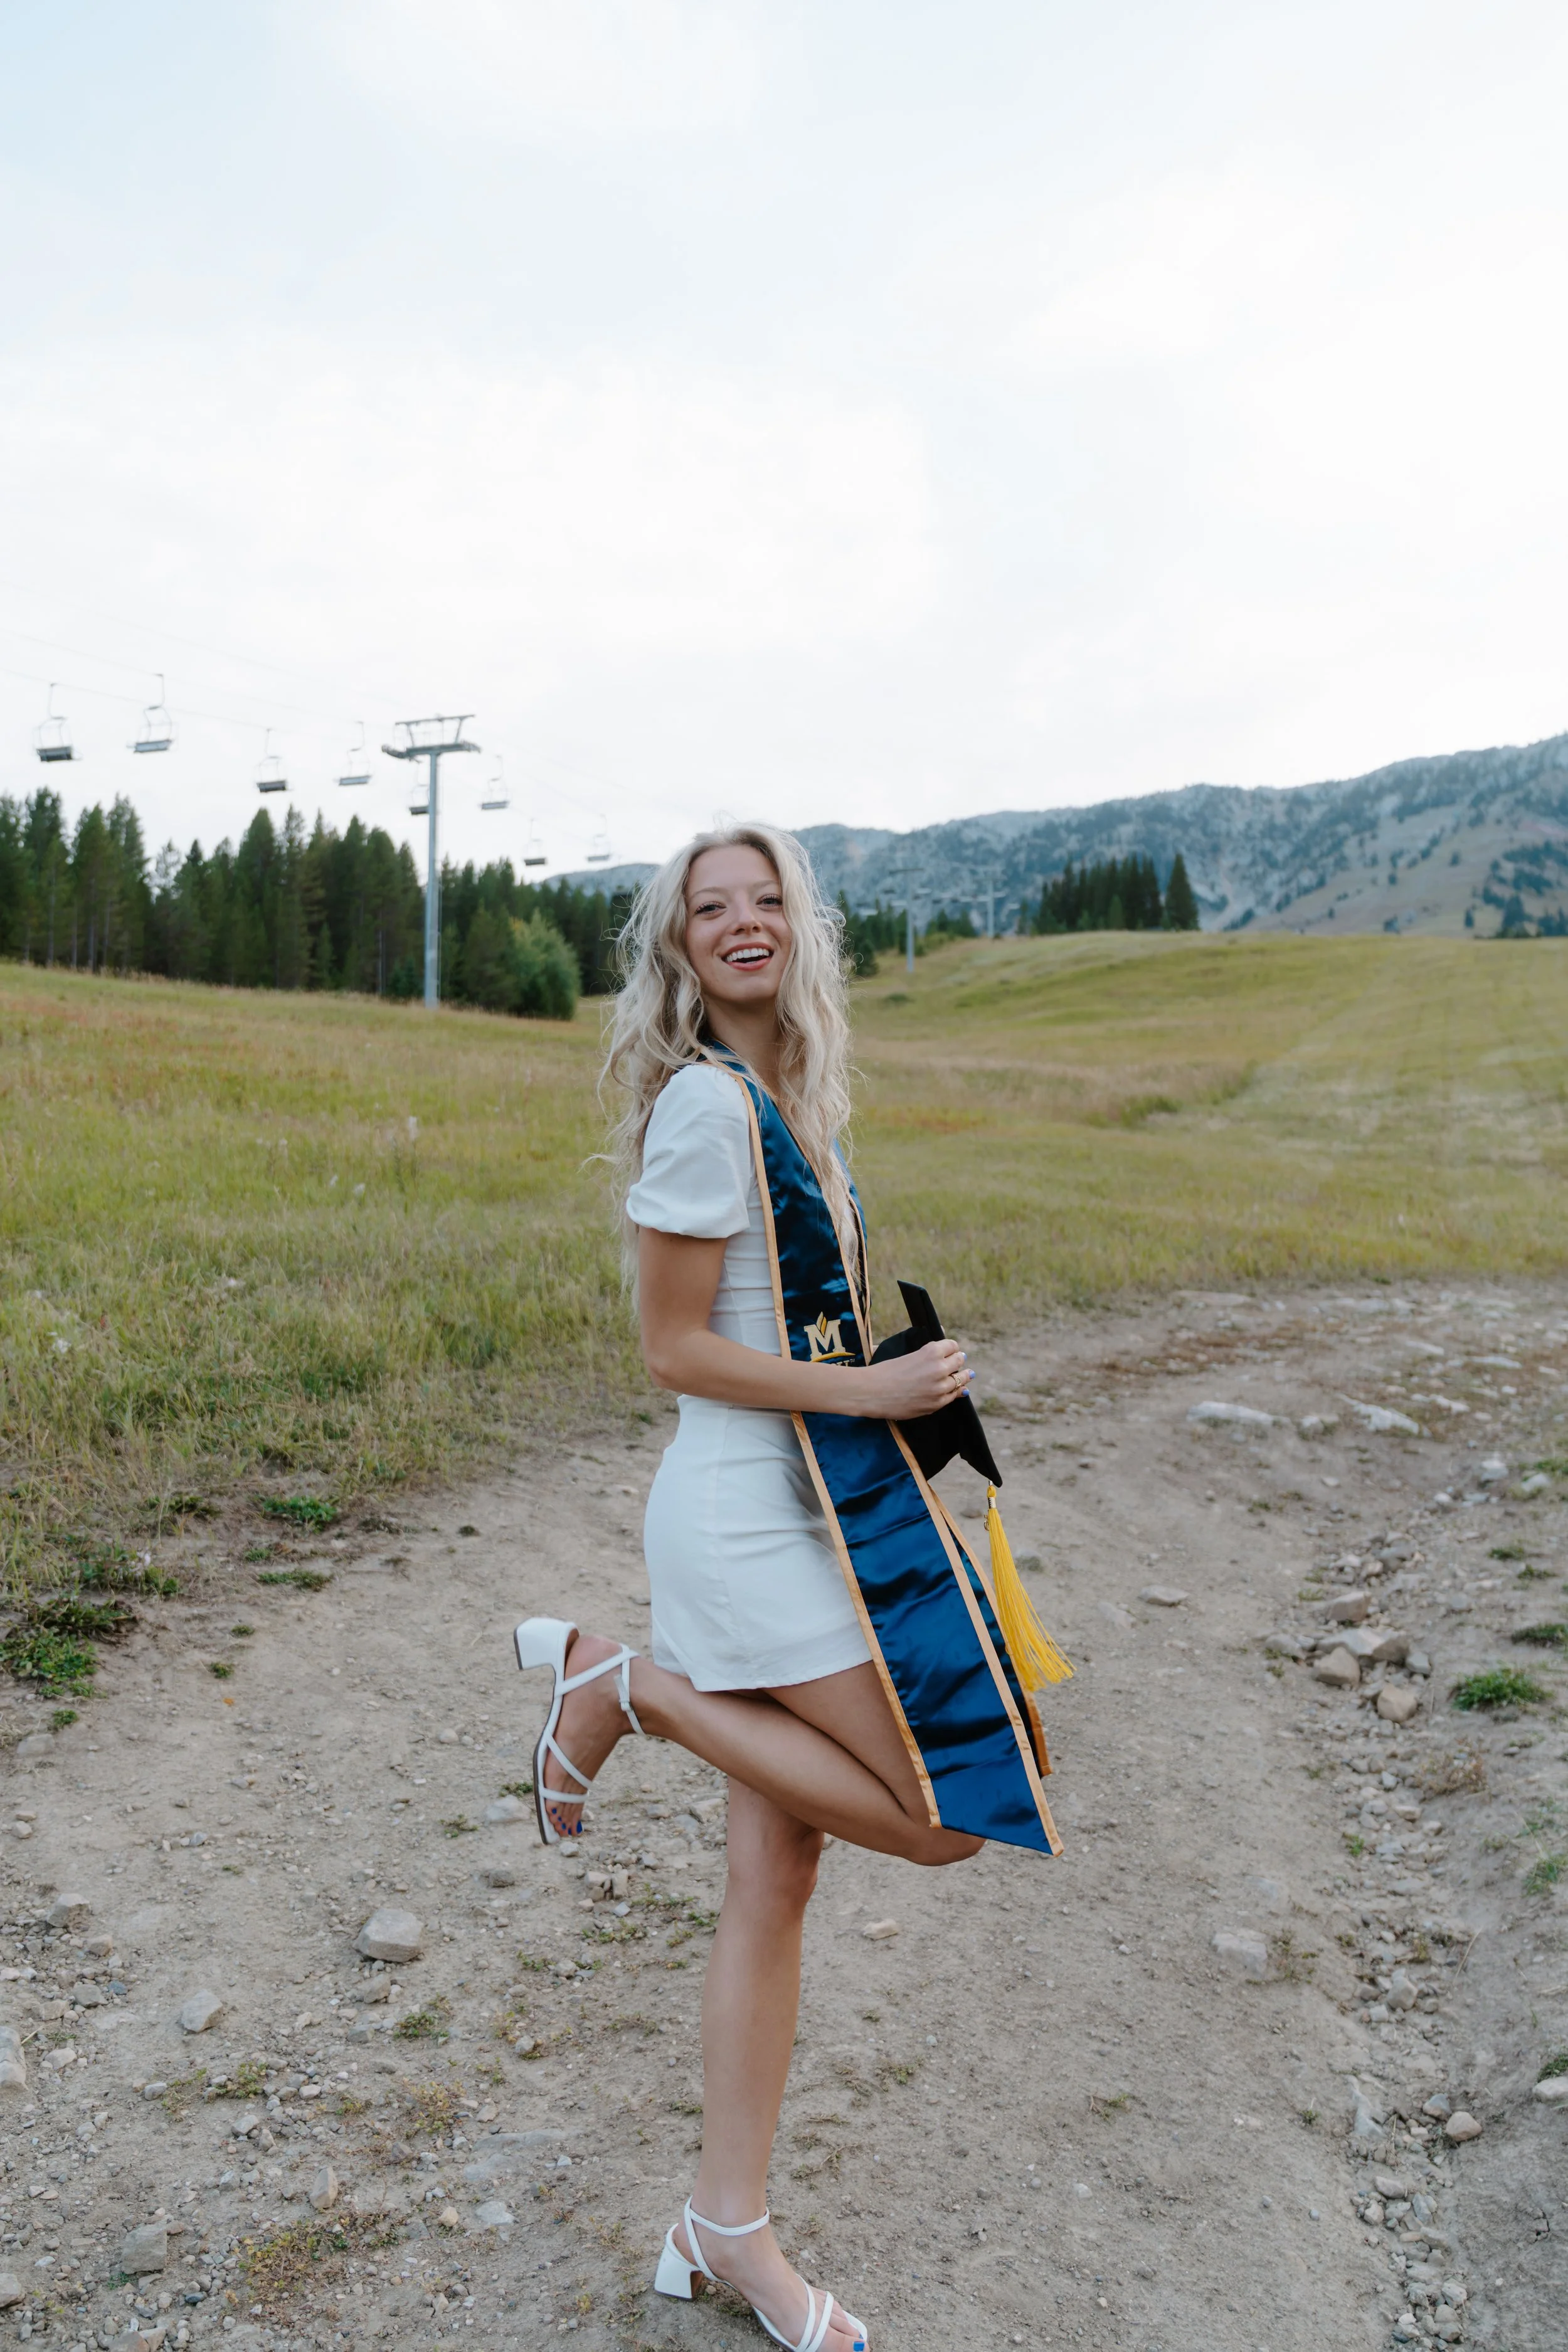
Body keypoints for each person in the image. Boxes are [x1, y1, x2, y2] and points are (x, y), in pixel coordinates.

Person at [514, 824, 1061, 2352]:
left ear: (796, 931)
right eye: (711, 907)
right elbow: (672, 1349)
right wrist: (868, 1402)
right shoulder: (702, 1105)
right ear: (678, 947)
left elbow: (790, 1336)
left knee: (775, 1880)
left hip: (802, 1509)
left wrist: (890, 1385)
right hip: (742, 1523)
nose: (741, 923)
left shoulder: (788, 1108)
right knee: (947, 1818)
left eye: (766, 902)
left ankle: (722, 2226)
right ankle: (627, 1687)